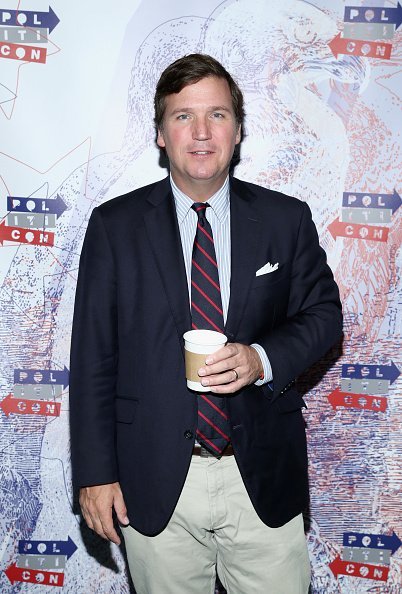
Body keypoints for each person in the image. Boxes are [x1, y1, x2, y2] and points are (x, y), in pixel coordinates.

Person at [69, 53, 342, 594]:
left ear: (237, 130)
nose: (200, 132)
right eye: (182, 116)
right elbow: (94, 360)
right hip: (153, 480)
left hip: (261, 477)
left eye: (216, 115)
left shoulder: (286, 219)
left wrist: (260, 358)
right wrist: (96, 475)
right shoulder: (113, 227)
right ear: (160, 133)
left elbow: (323, 318)